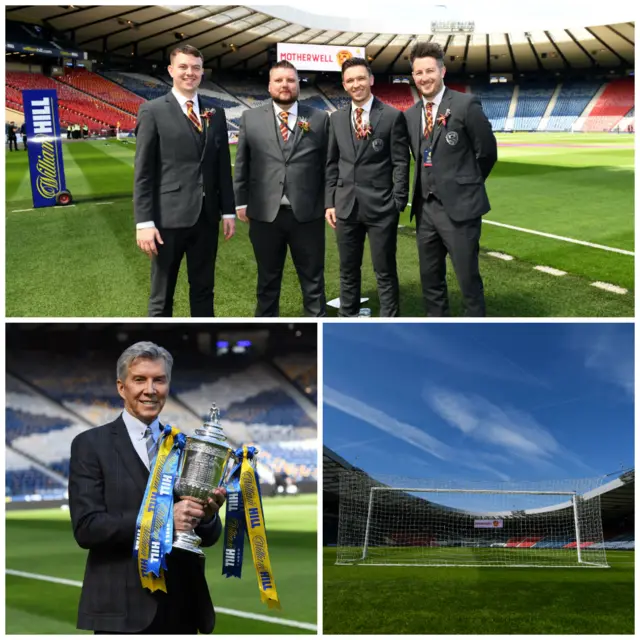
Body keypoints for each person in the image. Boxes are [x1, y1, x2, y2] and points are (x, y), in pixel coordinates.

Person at [69, 341, 227, 634]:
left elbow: (207, 536)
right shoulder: (90, 445)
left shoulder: (184, 446)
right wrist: (165, 521)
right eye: (139, 379)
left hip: (181, 607)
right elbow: (87, 528)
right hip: (122, 611)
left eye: (159, 380)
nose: (150, 389)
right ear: (121, 387)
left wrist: (206, 516)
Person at [134, 44, 235, 317]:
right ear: (171, 70)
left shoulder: (216, 112)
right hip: (168, 219)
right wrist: (144, 222)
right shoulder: (152, 111)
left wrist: (228, 211)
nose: (190, 73)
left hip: (207, 217)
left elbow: (222, 165)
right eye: (183, 67)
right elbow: (143, 172)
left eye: (196, 67)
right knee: (161, 295)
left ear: (202, 72)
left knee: (204, 290)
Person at [405, 42, 497, 317]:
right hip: (425, 210)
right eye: (419, 72)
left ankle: (475, 334)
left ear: (442, 71)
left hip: (460, 209)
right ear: (413, 76)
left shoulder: (465, 104)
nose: (424, 77)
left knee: (468, 281)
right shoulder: (410, 115)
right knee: (431, 281)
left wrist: (466, 187)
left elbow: (487, 152)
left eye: (430, 70)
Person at [234, 60, 329, 317]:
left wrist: (329, 202)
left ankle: (318, 328)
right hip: (265, 214)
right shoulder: (250, 118)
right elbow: (242, 163)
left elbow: (328, 165)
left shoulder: (319, 118)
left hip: (308, 215)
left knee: (313, 282)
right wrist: (240, 201)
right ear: (269, 85)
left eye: (290, 80)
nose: (284, 85)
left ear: (298, 84)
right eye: (279, 80)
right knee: (267, 282)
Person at [325, 57, 409, 317]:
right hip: (346, 206)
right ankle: (347, 317)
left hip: (381, 207)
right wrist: (330, 201)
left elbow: (401, 162)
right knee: (348, 269)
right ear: (344, 84)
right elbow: (331, 162)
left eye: (361, 78)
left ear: (371, 80)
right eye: (350, 80)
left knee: (384, 270)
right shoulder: (336, 119)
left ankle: (389, 323)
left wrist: (397, 201)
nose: (356, 84)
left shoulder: (392, 116)